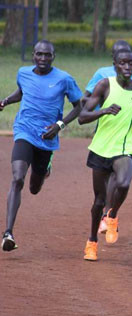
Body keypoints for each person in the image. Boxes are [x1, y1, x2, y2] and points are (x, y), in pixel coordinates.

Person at [1, 40, 82, 251]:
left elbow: (79, 106)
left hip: (47, 137)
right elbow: (22, 92)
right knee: (17, 178)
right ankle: (8, 233)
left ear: (54, 56)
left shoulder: (64, 79)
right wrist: (6, 101)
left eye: (47, 55)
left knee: (34, 188)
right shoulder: (23, 73)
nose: (43, 58)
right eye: (39, 54)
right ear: (33, 55)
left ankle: (45, 169)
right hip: (24, 130)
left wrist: (60, 125)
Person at [78, 48, 132, 261]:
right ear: (115, 65)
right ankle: (92, 242)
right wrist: (104, 110)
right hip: (101, 148)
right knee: (98, 201)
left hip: (125, 147)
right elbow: (82, 117)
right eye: (123, 63)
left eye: (131, 63)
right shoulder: (105, 85)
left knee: (124, 183)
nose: (127, 67)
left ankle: (112, 216)